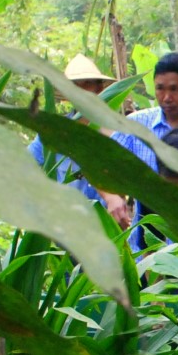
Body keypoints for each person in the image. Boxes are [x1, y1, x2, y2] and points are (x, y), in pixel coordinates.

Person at [28, 55, 157, 230]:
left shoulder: (119, 134)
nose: (81, 91)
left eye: (87, 83)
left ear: (99, 88)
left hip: (109, 230)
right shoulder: (53, 132)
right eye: (74, 85)